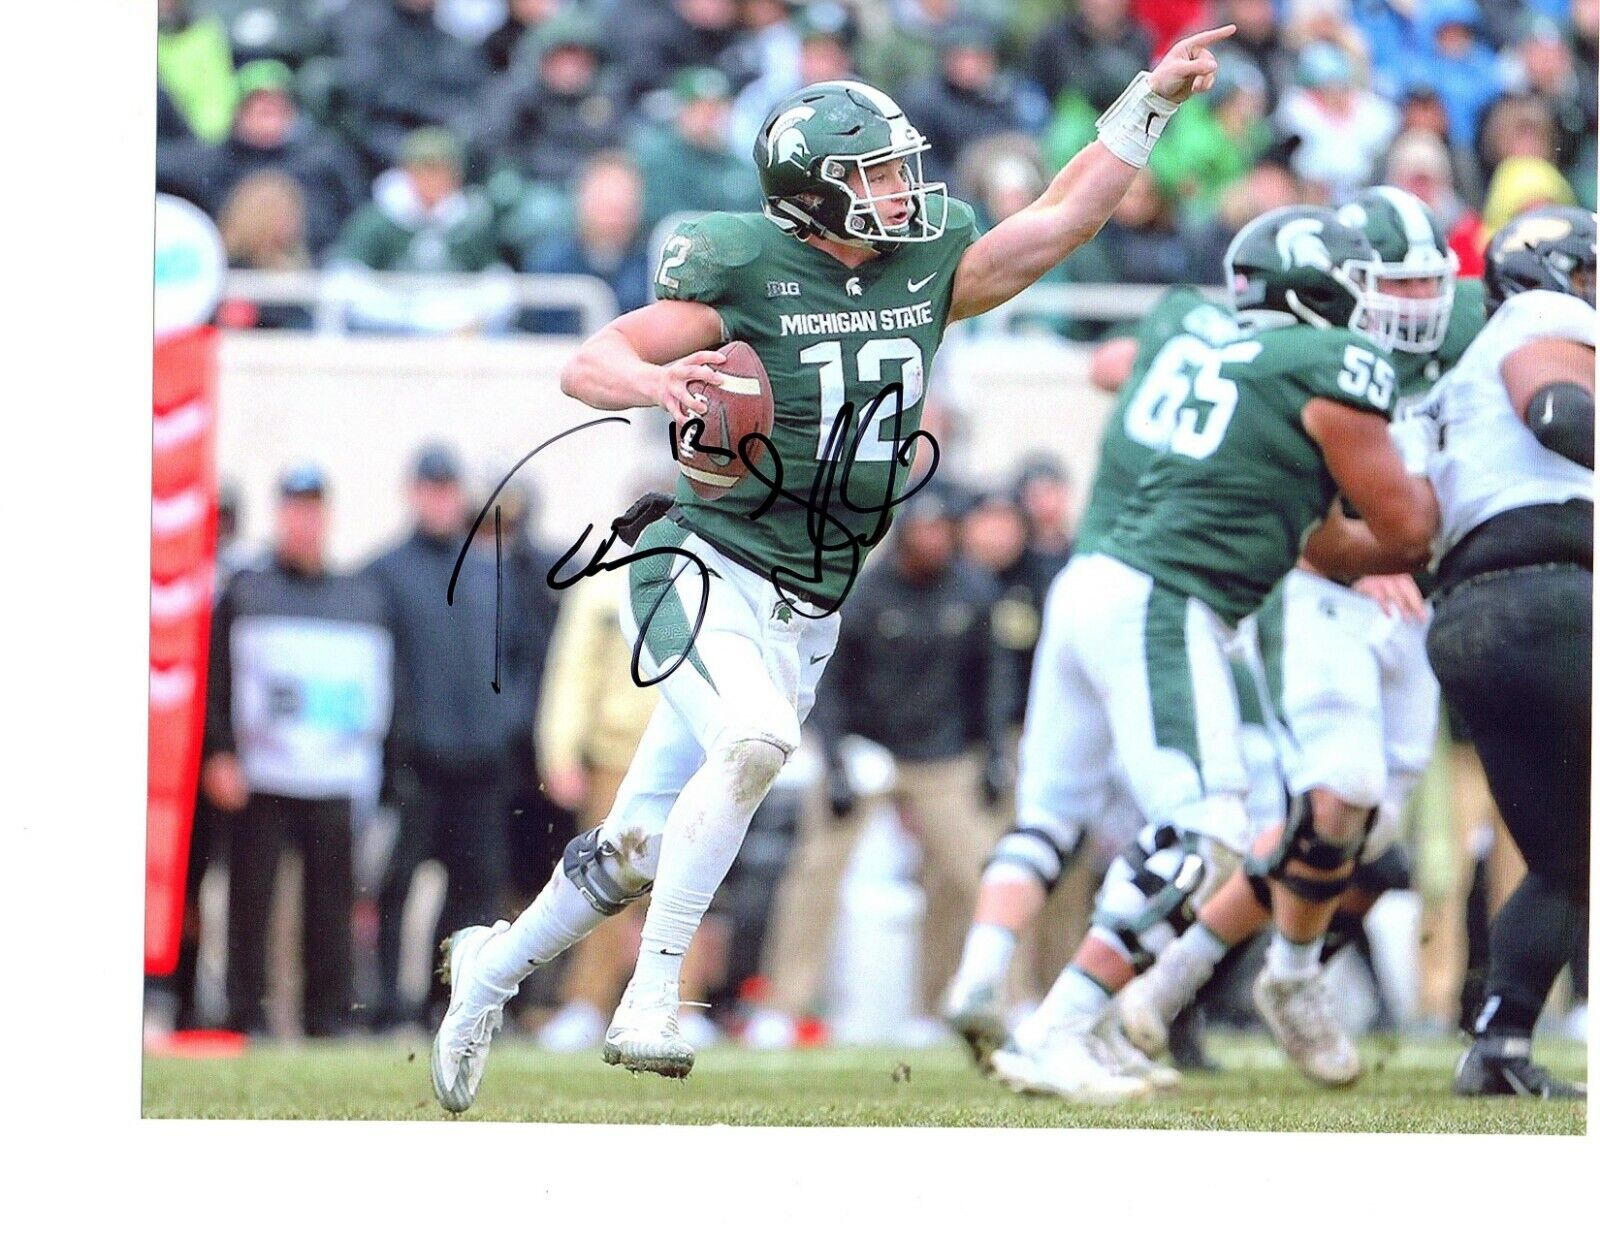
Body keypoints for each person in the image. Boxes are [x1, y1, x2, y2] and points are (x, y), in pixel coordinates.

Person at [427, 31, 1238, 1112]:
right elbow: (593, 357)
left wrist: (1150, 101)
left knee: (632, 848)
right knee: (757, 742)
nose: (903, 190)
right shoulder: (743, 265)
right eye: (876, 175)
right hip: (703, 560)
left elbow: (1059, 218)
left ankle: (486, 972)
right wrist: (658, 390)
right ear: (815, 196)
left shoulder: (923, 263)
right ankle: (653, 996)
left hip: (811, 595)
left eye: (901, 168)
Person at [966, 205, 1438, 1103]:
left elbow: (1321, 549)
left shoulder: (1221, 344)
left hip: (1122, 585)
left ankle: (1085, 1021)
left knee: (1144, 824)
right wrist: (1450, 527)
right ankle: (1059, 1026)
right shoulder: (1320, 364)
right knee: (1206, 829)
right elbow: (1405, 528)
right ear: (1318, 291)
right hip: (1161, 597)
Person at [1115, 187, 1487, 1081]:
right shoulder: (1310, 354)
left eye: (1422, 284)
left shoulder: (1466, 325)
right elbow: (1286, 498)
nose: (1415, 304)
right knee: (1337, 794)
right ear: (1340, 285)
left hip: (1414, 605)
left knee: (1349, 830)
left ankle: (1174, 979)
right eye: (1390, 287)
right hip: (1319, 589)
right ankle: (1278, 975)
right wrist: (1369, 550)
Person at [1426, 206, 1595, 1098]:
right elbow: (1560, 411)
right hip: (1553, 594)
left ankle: (1499, 1042)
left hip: (1470, 618)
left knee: (1567, 857)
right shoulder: (1542, 322)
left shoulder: (1459, 373)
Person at [751, 485, 1015, 1043]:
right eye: (922, 531)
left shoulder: (975, 592)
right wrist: (838, 756)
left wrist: (992, 755)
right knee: (817, 868)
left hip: (943, 754)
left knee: (975, 870)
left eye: (941, 530)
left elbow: (991, 683)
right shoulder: (867, 594)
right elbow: (828, 680)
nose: (932, 541)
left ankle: (954, 1003)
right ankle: (783, 1004)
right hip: (868, 748)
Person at [201, 465, 394, 1037]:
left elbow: (380, 688)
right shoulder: (247, 590)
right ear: (278, 515)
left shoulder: (359, 595)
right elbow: (216, 679)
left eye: (313, 510)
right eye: (293, 509)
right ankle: (244, 1015)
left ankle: (327, 1016)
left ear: (326, 518)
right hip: (260, 775)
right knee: (250, 902)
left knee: (331, 904)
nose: (303, 523)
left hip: (334, 776)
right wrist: (220, 752)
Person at [366, 445, 519, 1031]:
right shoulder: (381, 574)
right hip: (413, 766)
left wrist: (506, 721)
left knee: (474, 895)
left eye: (448, 487)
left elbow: (522, 656)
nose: (439, 499)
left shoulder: (488, 572)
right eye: (429, 487)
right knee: (395, 889)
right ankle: (383, 1005)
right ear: (412, 491)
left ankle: (448, 1005)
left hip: (480, 766)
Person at [162, 59, 365, 262]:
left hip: (310, 274)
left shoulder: (324, 162)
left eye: (277, 106)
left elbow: (354, 224)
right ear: (238, 112)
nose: (269, 114)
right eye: (259, 105)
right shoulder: (203, 164)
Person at [328, 128, 517, 336]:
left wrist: (466, 314)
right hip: (391, 322)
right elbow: (346, 275)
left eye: (440, 171)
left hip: (455, 324)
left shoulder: (470, 221)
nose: (431, 181)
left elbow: (494, 278)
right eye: (423, 170)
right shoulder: (380, 219)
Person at [334, 0, 490, 171]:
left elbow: (472, 85)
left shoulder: (441, 33)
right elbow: (376, 90)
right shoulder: (368, 21)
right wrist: (439, 109)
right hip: (385, 126)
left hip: (437, 128)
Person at [897, 16, 1047, 190]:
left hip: (1000, 187)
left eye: (978, 57)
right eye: (962, 57)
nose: (970, 66)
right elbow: (920, 166)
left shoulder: (1005, 96)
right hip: (950, 195)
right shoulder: (923, 102)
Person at [523, 153, 653, 334]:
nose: (613, 217)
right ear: (582, 201)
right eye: (604, 204)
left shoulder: (652, 266)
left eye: (621, 206)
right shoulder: (550, 263)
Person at [633, 67, 764, 233]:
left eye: (717, 108)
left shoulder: (738, 162)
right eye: (701, 108)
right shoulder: (658, 156)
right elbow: (663, 217)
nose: (710, 118)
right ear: (682, 109)